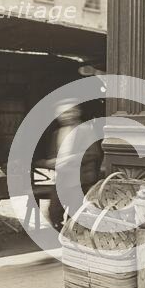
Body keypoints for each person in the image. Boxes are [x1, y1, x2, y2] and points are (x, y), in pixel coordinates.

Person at [44, 99, 102, 231]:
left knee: (75, 213)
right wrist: (52, 162)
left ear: (77, 112)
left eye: (70, 112)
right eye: (63, 113)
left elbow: (94, 154)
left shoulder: (86, 130)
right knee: (53, 211)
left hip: (81, 179)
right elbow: (54, 156)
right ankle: (63, 233)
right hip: (62, 179)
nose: (67, 115)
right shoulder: (56, 133)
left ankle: (73, 240)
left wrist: (72, 159)